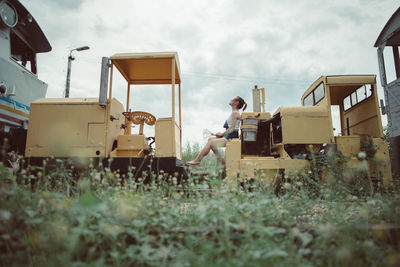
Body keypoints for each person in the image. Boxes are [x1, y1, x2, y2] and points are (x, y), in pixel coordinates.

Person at [186, 96, 247, 166]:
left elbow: (232, 128)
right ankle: (221, 160)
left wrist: (221, 134)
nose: (230, 99)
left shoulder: (235, 113)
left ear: (236, 102)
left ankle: (197, 161)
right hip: (229, 136)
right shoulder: (235, 113)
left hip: (232, 138)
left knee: (211, 142)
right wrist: (222, 134)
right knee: (210, 139)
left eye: (233, 99)